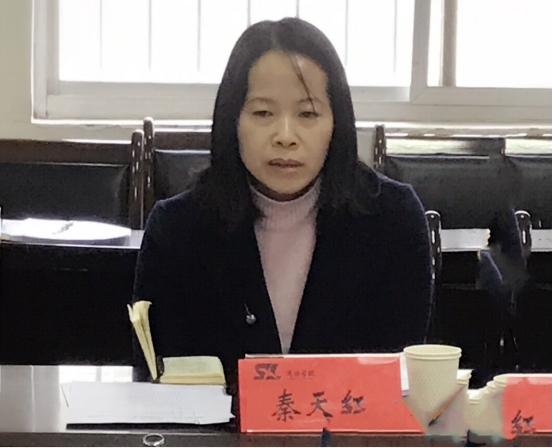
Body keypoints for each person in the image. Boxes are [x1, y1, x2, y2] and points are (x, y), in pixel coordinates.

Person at [132, 17, 432, 379]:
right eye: (263, 113)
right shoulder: (177, 230)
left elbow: (399, 379)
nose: (285, 136)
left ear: (337, 122)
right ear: (232, 120)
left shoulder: (393, 221)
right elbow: (157, 379)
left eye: (307, 113)